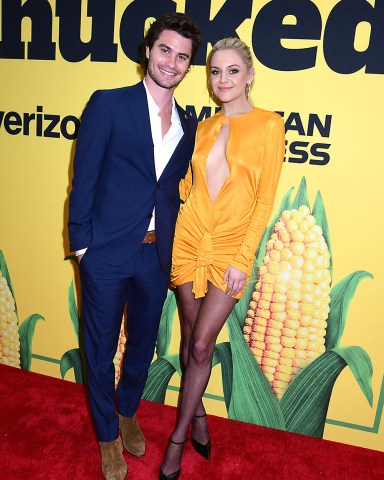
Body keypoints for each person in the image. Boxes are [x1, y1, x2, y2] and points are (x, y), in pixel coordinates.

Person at [67, 13, 202, 480]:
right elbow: (82, 179)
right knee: (100, 350)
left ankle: (127, 412)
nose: (172, 62)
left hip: (154, 255)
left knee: (143, 345)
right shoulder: (109, 105)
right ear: (148, 51)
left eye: (182, 56)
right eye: (165, 50)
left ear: (189, 66)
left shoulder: (188, 123)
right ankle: (107, 437)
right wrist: (83, 246)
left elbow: (170, 190)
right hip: (104, 253)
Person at [159, 37, 285, 480]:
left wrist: (244, 257)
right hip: (189, 240)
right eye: (215, 71)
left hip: (232, 248)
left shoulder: (270, 125)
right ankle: (197, 417)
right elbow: (185, 187)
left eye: (233, 70)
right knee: (192, 335)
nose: (223, 79)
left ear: (250, 75)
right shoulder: (204, 126)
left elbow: (264, 201)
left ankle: (176, 439)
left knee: (199, 345)